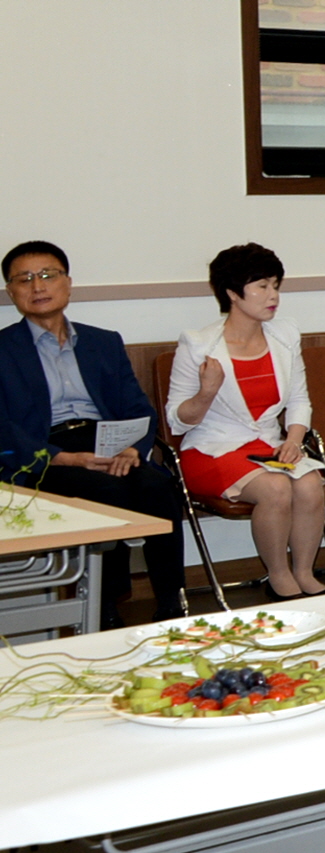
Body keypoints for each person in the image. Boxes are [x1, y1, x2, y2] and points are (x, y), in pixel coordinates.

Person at [0, 241, 190, 625]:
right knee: (107, 490)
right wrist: (64, 458)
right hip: (46, 452)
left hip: (108, 443)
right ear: (11, 292)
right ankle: (103, 605)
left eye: (48, 275)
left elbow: (138, 409)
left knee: (157, 485)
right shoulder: (4, 348)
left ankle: (172, 600)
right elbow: (3, 428)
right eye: (25, 279)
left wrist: (132, 450)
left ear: (68, 283)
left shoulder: (103, 341)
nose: (38, 286)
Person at [165, 243, 325, 600]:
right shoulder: (198, 345)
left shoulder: (284, 336)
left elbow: (299, 401)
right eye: (262, 286)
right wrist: (207, 392)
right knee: (276, 488)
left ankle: (304, 571)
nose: (273, 296)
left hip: (267, 446)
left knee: (310, 485)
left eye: (276, 286)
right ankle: (278, 575)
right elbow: (178, 421)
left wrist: (294, 440)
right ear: (232, 293)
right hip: (211, 449)